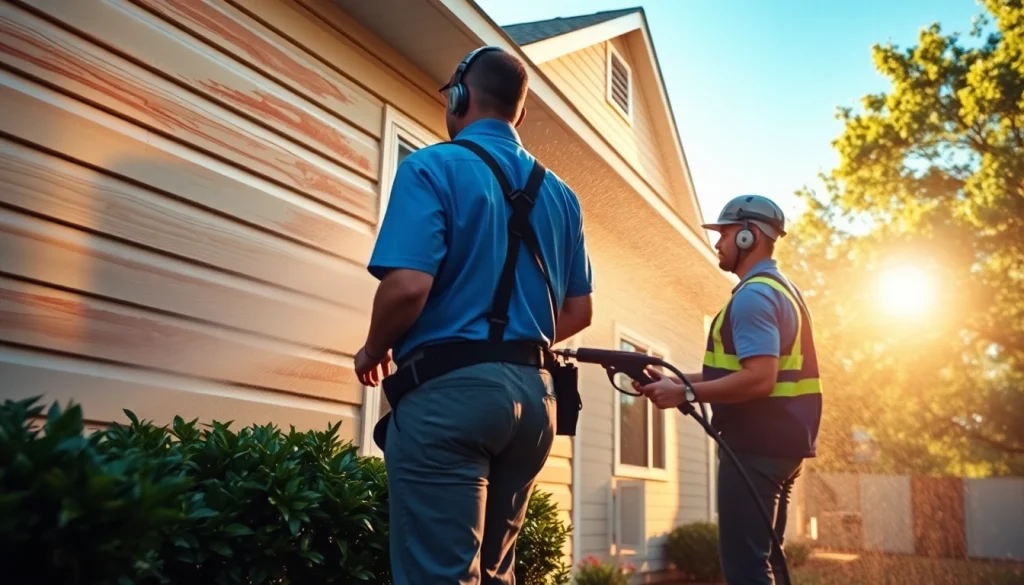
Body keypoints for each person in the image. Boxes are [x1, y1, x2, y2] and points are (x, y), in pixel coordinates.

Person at [353, 45, 595, 585]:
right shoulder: (563, 196)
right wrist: (511, 335)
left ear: (459, 96)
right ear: (521, 113)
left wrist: (373, 349)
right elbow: (579, 310)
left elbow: (408, 286)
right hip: (537, 403)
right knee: (495, 574)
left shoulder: (431, 166)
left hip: (450, 400)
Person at [634, 195, 822, 585]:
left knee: (746, 568)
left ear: (748, 238)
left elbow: (759, 378)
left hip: (755, 450)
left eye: (725, 233)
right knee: (768, 560)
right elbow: (742, 372)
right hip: (782, 448)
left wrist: (684, 395)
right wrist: (675, 381)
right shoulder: (781, 289)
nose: (717, 242)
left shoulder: (753, 297)